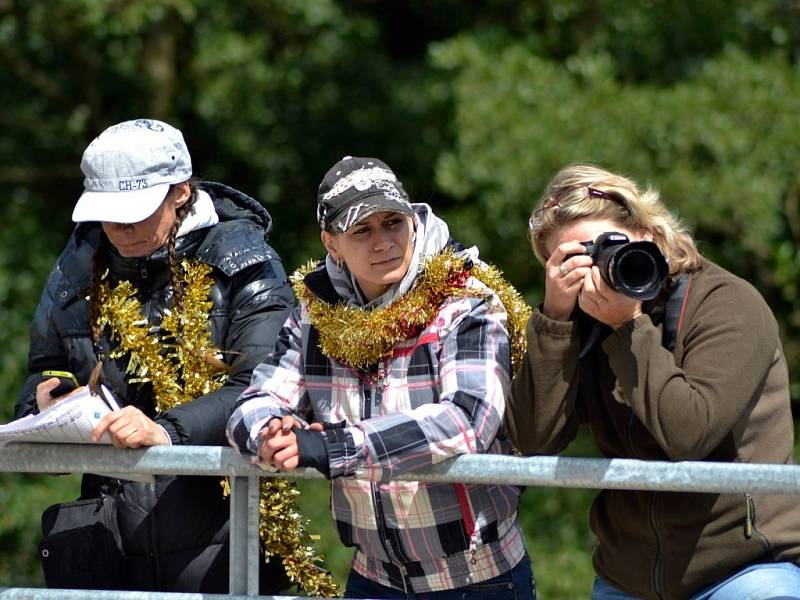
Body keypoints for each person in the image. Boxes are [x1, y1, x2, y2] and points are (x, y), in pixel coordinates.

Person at [226, 156, 535, 599]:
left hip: (477, 577)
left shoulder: (465, 300)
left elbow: (469, 419)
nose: (383, 243)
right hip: (373, 578)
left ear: (413, 222)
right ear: (331, 243)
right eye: (362, 231)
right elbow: (253, 400)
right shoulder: (316, 315)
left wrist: (337, 447)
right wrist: (272, 433)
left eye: (393, 222)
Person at [15, 118, 295, 592]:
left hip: (222, 531)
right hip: (105, 540)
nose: (120, 227)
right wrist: (45, 399)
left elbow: (264, 383)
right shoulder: (73, 268)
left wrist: (165, 430)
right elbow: (45, 367)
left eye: (135, 211)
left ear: (180, 191)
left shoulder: (247, 263)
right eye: (108, 212)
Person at [506, 163, 800, 599]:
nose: (597, 266)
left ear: (650, 233)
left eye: (608, 245)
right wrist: (554, 320)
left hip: (745, 568)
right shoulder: (581, 322)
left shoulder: (726, 304)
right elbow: (534, 441)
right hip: (629, 577)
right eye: (573, 258)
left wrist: (628, 328)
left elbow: (689, 435)